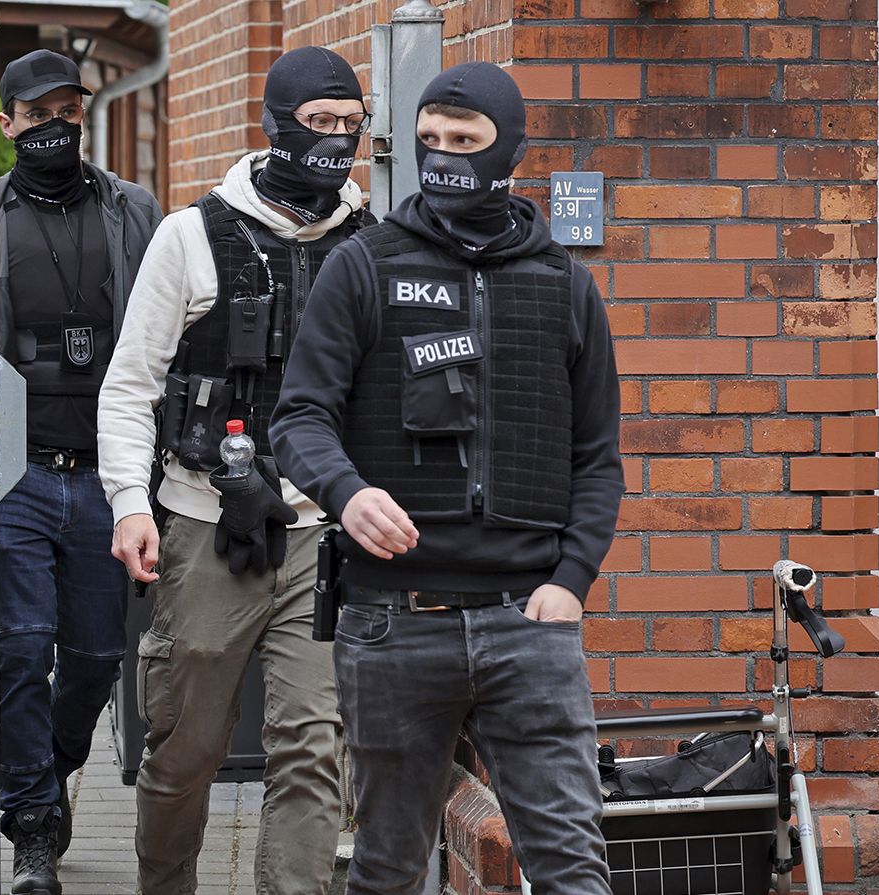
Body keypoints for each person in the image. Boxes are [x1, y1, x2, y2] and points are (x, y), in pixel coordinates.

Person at [271, 61, 623, 895]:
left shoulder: (567, 289)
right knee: (389, 867)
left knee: (572, 863)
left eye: (464, 142)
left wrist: (571, 581)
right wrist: (347, 493)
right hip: (396, 621)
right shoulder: (362, 267)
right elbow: (300, 418)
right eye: (429, 142)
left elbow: (598, 456)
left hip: (527, 622)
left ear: (510, 152)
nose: (443, 160)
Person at [96, 46, 373, 895]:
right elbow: (129, 387)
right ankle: (165, 881)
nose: (332, 142)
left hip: (322, 535)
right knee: (185, 746)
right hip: (205, 523)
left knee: (311, 744)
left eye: (348, 127)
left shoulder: (372, 242)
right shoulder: (191, 236)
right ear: (277, 124)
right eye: (316, 124)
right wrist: (127, 505)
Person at [0, 48, 161, 895]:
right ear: (8, 121)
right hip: (11, 477)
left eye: (70, 109)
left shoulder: (133, 214)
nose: (57, 124)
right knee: (18, 651)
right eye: (39, 112)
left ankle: (47, 774)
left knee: (94, 655)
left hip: (108, 477)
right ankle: (32, 832)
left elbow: (170, 337)